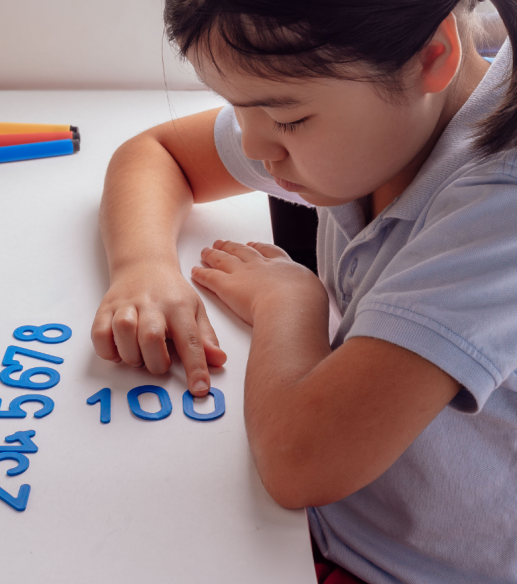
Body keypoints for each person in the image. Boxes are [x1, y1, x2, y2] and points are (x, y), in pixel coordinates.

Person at [91, 1, 517, 582]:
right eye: (236, 109)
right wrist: (144, 267)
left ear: (432, 58)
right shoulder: (373, 115)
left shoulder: (500, 209)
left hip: (403, 565)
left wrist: (289, 301)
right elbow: (158, 154)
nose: (257, 147)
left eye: (288, 121)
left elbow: (301, 462)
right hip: (314, 523)